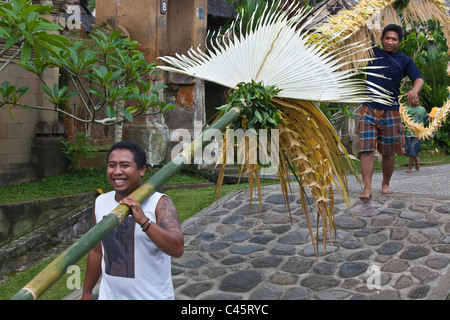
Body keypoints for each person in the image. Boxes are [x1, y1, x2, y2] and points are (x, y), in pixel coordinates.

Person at [81, 141, 184, 300]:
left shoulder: (159, 203)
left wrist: (144, 221)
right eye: (112, 165)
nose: (117, 171)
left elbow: (177, 248)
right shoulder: (101, 202)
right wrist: (87, 292)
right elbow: (97, 250)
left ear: (141, 169)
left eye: (125, 165)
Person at [358, 24, 424, 200]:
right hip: (369, 107)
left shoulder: (405, 61)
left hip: (391, 110)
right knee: (366, 149)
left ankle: (385, 184)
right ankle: (367, 188)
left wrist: (415, 91)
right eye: (387, 38)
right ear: (382, 39)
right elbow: (357, 37)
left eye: (394, 39)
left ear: (399, 42)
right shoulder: (372, 52)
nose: (390, 41)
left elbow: (418, 78)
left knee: (388, 152)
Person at [404, 97, 429, 173]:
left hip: (418, 134)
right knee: (408, 149)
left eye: (417, 98)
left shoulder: (422, 109)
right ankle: (416, 159)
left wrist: (436, 117)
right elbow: (402, 120)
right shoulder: (406, 109)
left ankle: (409, 167)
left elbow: (427, 119)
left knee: (413, 148)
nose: (415, 100)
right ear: (409, 100)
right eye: (413, 98)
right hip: (408, 133)